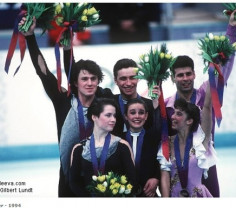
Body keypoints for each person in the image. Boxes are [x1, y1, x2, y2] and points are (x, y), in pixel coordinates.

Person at [19, 17, 111, 197]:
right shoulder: (62, 100)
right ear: (75, 82)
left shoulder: (104, 99)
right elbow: (43, 71)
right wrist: (30, 37)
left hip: (103, 172)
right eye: (84, 79)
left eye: (93, 79)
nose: (90, 83)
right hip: (70, 174)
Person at [163, 8, 236, 197]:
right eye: (180, 75)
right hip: (178, 168)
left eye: (188, 74)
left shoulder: (204, 95)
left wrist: (232, 29)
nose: (185, 78)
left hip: (205, 162)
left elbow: (224, 67)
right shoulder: (167, 106)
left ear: (194, 74)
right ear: (172, 78)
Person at [158, 82, 216, 197]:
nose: (173, 116)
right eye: (174, 113)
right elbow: (164, 176)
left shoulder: (200, 141)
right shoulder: (167, 144)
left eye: (178, 114)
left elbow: (207, 106)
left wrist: (212, 71)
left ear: (189, 121)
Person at [69, 98, 136, 196]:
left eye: (114, 116)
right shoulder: (79, 149)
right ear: (94, 117)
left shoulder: (122, 145)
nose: (113, 119)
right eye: (108, 115)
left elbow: (133, 180)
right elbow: (74, 183)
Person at [111, 58, 160, 139]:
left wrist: (156, 106)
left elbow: (159, 134)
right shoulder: (109, 104)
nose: (128, 83)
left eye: (132, 77)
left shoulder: (151, 105)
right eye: (123, 79)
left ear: (138, 78)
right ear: (115, 80)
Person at [124, 98, 161, 197]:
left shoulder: (155, 138)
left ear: (146, 116)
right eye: (132, 113)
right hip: (123, 193)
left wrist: (156, 178)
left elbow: (162, 162)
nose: (137, 116)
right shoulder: (119, 139)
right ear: (126, 116)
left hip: (147, 193)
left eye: (141, 113)